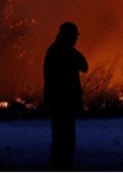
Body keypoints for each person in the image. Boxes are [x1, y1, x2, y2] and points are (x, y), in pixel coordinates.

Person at [43, 22, 88, 171]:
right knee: (65, 139)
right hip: (64, 102)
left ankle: (58, 167)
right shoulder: (66, 51)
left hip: (58, 102)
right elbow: (84, 66)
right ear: (68, 36)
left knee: (60, 139)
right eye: (74, 36)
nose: (76, 39)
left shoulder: (54, 50)